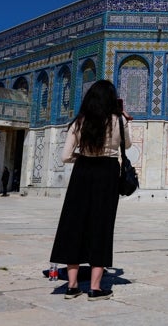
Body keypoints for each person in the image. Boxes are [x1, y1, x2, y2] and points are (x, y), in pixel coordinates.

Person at [49, 79, 132, 301]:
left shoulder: (79, 122)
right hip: (107, 175)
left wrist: (82, 157)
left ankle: (72, 285)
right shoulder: (117, 121)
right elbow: (128, 145)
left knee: (73, 225)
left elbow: (65, 156)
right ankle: (95, 287)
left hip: (82, 173)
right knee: (101, 227)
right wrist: (125, 119)